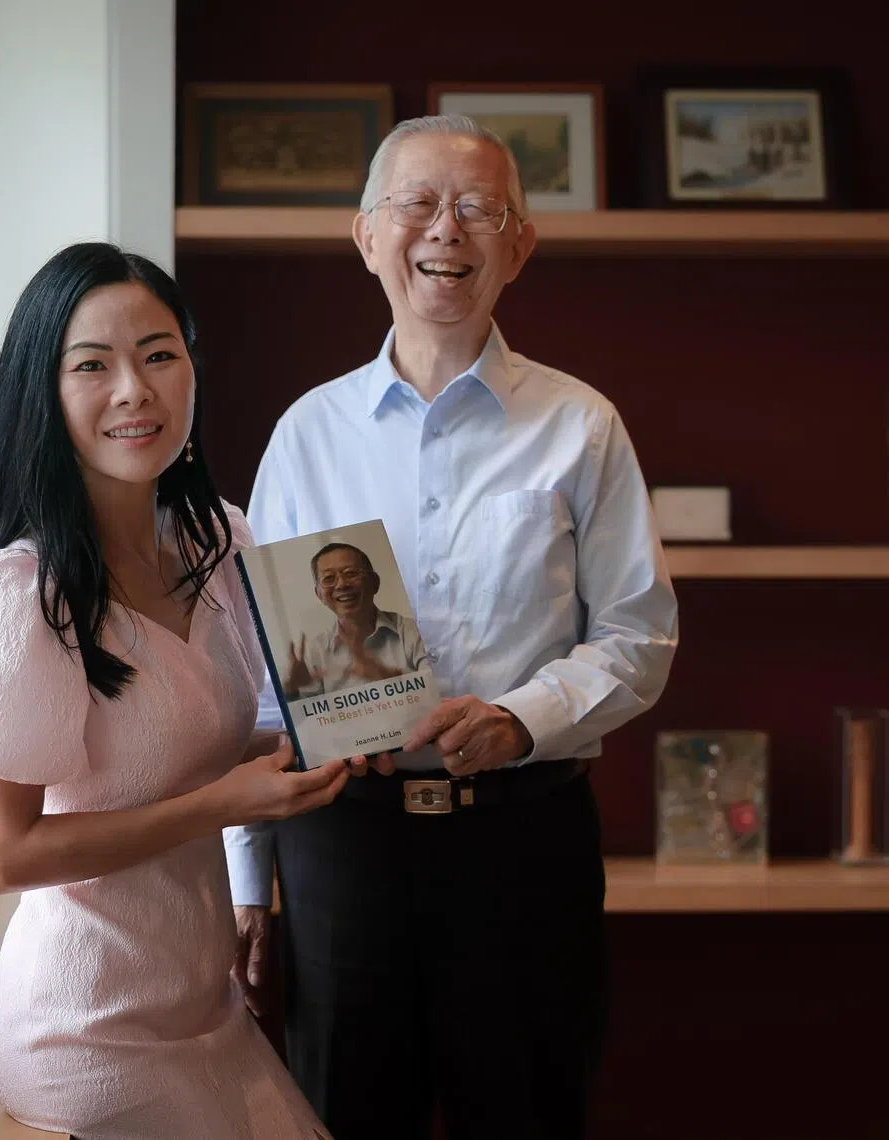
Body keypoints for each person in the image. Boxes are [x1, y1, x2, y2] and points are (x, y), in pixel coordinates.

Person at [225, 115, 679, 1140]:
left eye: (479, 208)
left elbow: (639, 634)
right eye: (419, 204)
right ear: (367, 236)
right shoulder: (308, 435)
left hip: (525, 847)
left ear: (519, 246)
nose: (447, 229)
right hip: (342, 847)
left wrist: (522, 719)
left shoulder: (581, 426)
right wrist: (245, 878)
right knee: (343, 1117)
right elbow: (259, 677)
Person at [0, 242, 347, 1140]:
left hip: (206, 1005)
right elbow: (0, 857)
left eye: (159, 355)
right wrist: (225, 803)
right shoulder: (15, 595)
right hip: (85, 1026)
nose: (134, 391)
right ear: (42, 392)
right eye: (92, 366)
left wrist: (333, 738)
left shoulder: (219, 545)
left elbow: (193, 741)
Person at [282, 541, 428, 699]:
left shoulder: (414, 631)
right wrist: (291, 692)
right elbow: (306, 714)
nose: (341, 585)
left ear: (374, 582)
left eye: (350, 573)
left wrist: (386, 678)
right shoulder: (314, 652)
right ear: (319, 594)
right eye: (329, 578)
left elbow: (436, 696)